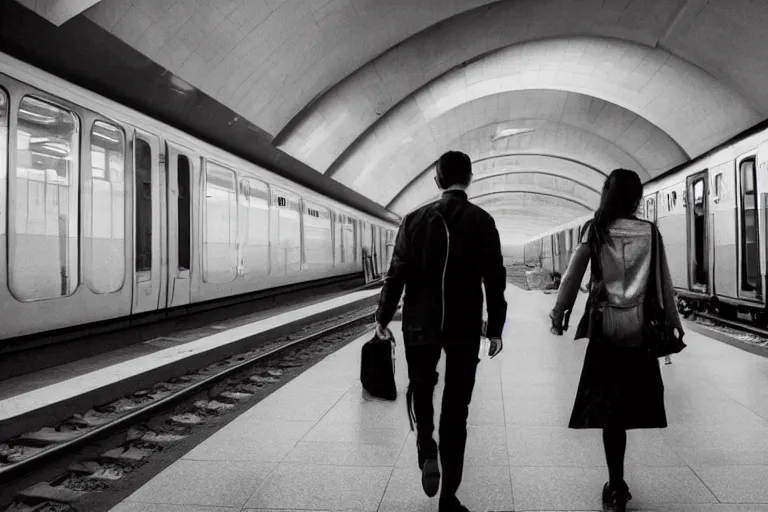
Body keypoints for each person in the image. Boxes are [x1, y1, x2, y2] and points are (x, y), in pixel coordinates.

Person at [375, 150, 507, 512]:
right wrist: (495, 328)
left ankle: (425, 446)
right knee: (457, 408)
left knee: (421, 386)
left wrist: (383, 317)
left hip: (420, 324)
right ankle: (449, 497)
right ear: (470, 178)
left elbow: (396, 273)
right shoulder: (482, 221)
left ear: (437, 179)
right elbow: (495, 279)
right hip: (465, 327)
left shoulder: (414, 220)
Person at [549, 169, 683, 512]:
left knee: (610, 412)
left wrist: (559, 313)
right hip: (640, 332)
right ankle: (618, 483)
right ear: (636, 198)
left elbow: (572, 275)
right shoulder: (650, 232)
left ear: (607, 194)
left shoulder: (595, 230)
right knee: (628, 408)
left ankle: (616, 483)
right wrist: (672, 321)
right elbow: (662, 280)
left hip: (605, 332)